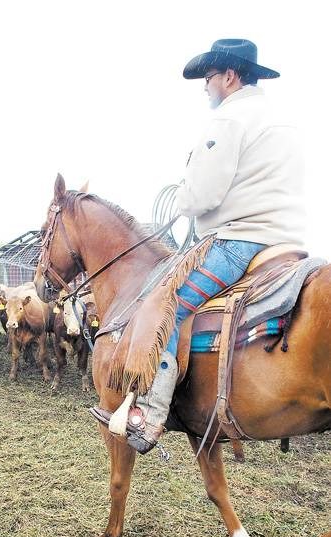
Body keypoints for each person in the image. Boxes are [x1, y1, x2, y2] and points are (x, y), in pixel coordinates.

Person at [95, 39, 306, 454]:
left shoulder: (230, 118)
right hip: (285, 243)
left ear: (229, 76)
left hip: (238, 241)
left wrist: (185, 190)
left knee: (165, 307)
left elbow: (200, 198)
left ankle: (151, 416)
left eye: (209, 79)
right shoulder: (280, 122)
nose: (205, 87)